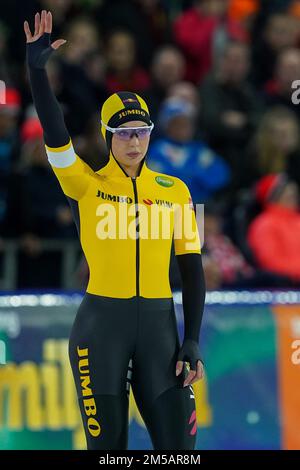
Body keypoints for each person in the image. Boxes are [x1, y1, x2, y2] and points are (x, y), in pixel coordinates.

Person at [24, 10, 206, 450]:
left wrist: (193, 339)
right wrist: (36, 71)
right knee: (108, 451)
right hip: (101, 331)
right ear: (107, 136)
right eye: (123, 133)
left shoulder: (175, 190)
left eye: (141, 131)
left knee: (180, 452)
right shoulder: (85, 185)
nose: (133, 141)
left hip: (162, 332)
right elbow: (54, 134)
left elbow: (192, 269)